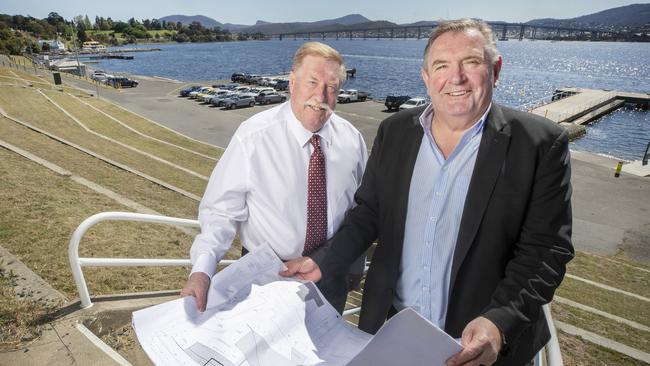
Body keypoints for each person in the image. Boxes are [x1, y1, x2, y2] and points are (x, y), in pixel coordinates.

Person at [282, 19, 573, 366]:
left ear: (495, 70)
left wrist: (499, 322)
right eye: (441, 66)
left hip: (477, 347)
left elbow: (545, 251)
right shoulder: (395, 132)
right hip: (392, 333)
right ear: (425, 77)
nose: (456, 78)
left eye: (471, 62)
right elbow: (369, 213)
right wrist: (323, 260)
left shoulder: (539, 144)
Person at [182, 42, 367, 312]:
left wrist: (353, 266)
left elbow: (359, 210)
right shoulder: (254, 136)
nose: (321, 95)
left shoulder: (352, 140)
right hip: (266, 278)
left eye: (332, 87)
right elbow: (221, 212)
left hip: (328, 275)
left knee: (326, 353)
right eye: (312, 82)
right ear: (292, 83)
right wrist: (202, 271)